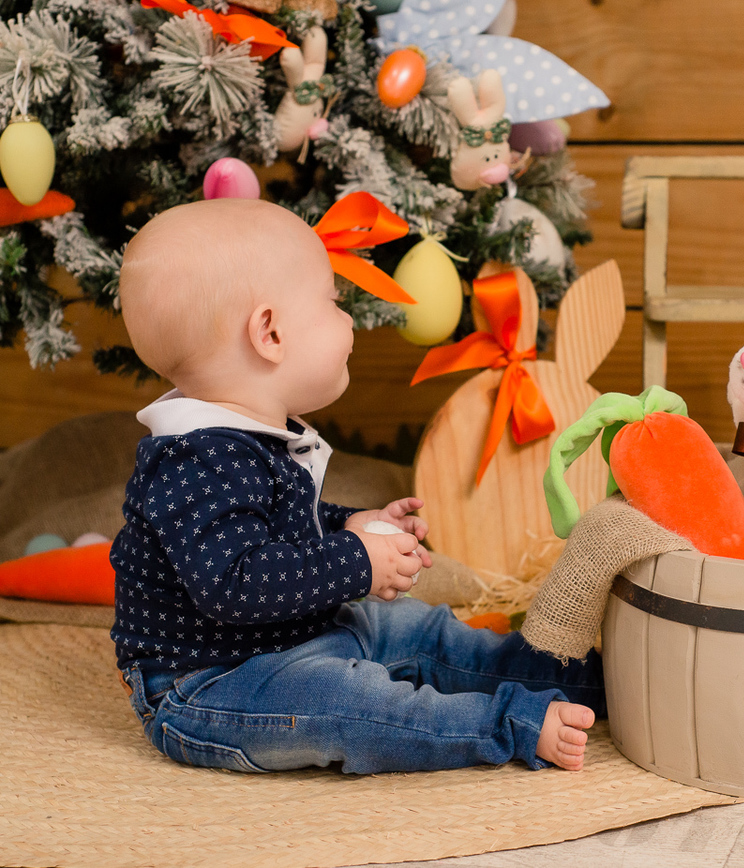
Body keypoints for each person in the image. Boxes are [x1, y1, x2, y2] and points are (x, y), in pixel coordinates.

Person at [110, 197, 603, 775]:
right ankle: (505, 723)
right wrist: (357, 560)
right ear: (270, 333)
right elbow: (237, 584)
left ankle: (577, 678)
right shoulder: (196, 460)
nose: (348, 321)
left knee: (419, 628)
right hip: (213, 683)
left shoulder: (244, 438)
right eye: (333, 302)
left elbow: (275, 526)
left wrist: (349, 523)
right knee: (351, 706)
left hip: (296, 636)